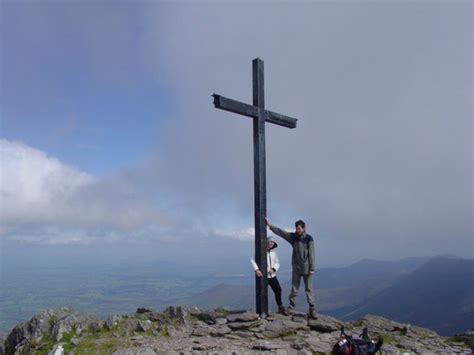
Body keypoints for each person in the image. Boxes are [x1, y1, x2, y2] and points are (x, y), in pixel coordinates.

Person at [265, 217, 317, 319]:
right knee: (294, 288)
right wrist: (270, 226)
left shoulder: (309, 238)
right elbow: (282, 232)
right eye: (296, 228)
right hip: (296, 268)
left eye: (299, 229)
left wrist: (312, 269)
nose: (297, 230)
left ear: (303, 228)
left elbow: (312, 254)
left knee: (309, 289)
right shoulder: (293, 237)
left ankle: (312, 309)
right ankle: (291, 307)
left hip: (307, 269)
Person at [250, 237, 287, 314]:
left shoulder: (274, 252)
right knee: (262, 293)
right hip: (263, 276)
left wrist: (274, 269)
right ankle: (262, 311)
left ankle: (280, 307)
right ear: (266, 242)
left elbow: (277, 262)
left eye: (272, 242)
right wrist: (256, 270)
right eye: (270, 242)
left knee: (278, 290)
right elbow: (252, 260)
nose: (271, 243)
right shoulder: (260, 251)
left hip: (272, 276)